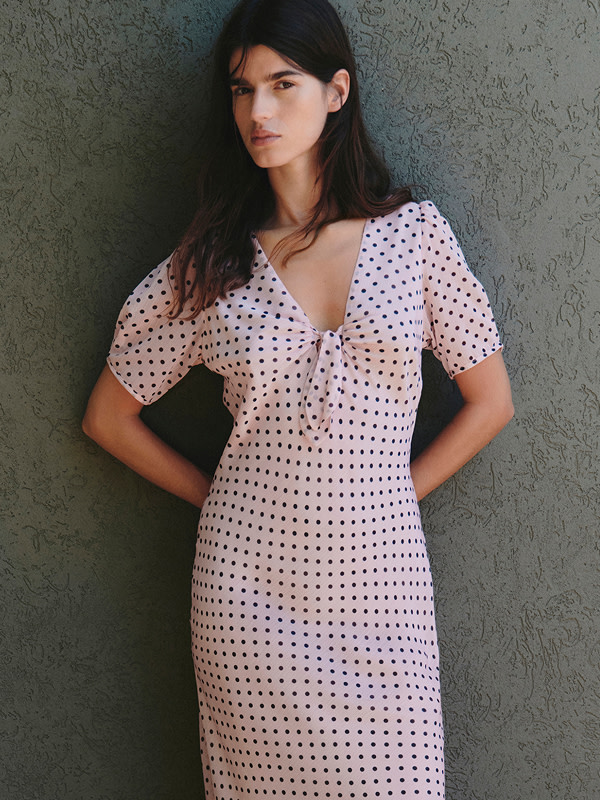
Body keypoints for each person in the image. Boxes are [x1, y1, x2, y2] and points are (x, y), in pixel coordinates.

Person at [83, 0, 514, 797]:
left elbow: (492, 402)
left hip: (381, 598)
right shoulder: (214, 264)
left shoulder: (414, 237)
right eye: (243, 90)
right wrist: (217, 500)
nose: (260, 110)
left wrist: (387, 499)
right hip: (247, 603)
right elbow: (108, 417)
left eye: (284, 83)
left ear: (337, 90)